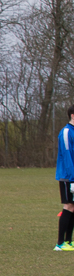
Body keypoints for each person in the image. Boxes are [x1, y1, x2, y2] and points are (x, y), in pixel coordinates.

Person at [57, 105, 74, 251]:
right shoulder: (66, 132)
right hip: (68, 177)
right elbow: (67, 155)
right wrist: (72, 177)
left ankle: (69, 241)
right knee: (68, 206)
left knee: (73, 207)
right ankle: (60, 243)